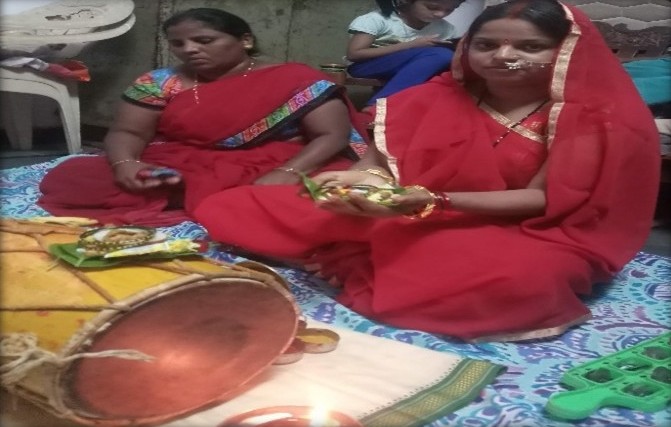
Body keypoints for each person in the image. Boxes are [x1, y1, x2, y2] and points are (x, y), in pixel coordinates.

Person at [194, 0, 660, 341]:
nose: (503, 55)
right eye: (487, 44)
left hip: (519, 228)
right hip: (407, 210)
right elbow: (379, 169)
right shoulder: (434, 96)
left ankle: (357, 258)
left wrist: (432, 202)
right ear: (467, 47)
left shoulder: (589, 117)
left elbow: (543, 200)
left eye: (530, 46)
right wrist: (353, 185)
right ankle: (359, 253)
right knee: (236, 204)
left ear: (566, 52)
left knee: (521, 281)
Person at [38, 8, 368, 226]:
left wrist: (288, 172)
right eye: (178, 43)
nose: (189, 49)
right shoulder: (159, 82)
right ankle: (201, 195)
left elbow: (331, 135)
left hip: (274, 161)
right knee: (72, 178)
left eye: (204, 40)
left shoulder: (295, 78)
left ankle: (202, 197)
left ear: (245, 41)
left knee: (327, 196)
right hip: (184, 161)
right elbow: (128, 132)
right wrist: (126, 164)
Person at [346, 0, 463, 110]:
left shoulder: (446, 28)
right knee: (442, 55)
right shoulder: (377, 19)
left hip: (412, 68)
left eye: (449, 10)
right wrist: (411, 45)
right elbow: (354, 54)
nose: (441, 14)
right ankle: (376, 107)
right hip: (366, 66)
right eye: (432, 7)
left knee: (450, 63)